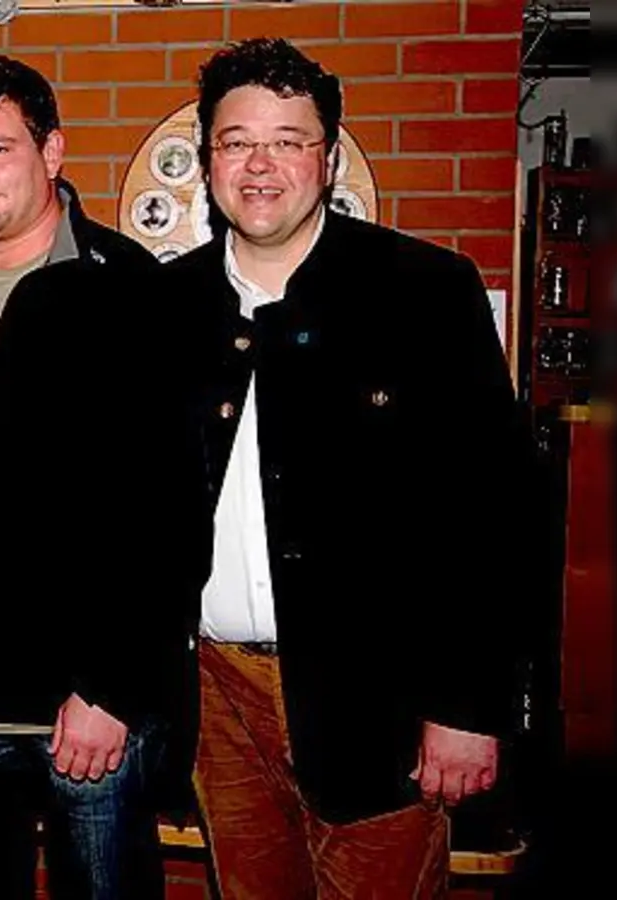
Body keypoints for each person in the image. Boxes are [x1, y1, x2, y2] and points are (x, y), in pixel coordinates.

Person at [167, 38, 532, 897]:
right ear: (207, 158)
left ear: (328, 159)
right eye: (237, 140)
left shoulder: (424, 292)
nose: (260, 165)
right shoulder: (167, 306)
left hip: (382, 701)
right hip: (217, 697)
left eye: (288, 141)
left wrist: (471, 710)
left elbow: (496, 513)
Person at [0, 54, 202, 900]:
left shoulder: (132, 293)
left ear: (53, 152)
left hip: (84, 715)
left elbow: (173, 515)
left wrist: (110, 688)